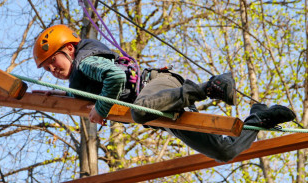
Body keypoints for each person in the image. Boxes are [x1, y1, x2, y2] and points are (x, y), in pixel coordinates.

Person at [33, 24, 296, 162]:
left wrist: (100, 110)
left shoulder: (85, 61)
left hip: (155, 87)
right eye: (46, 69)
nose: (52, 69)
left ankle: (209, 87)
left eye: (53, 61)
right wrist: (52, 94)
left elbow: (113, 76)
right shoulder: (79, 76)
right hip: (160, 111)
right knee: (224, 153)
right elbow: (89, 92)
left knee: (139, 111)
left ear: (68, 49)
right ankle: (258, 119)